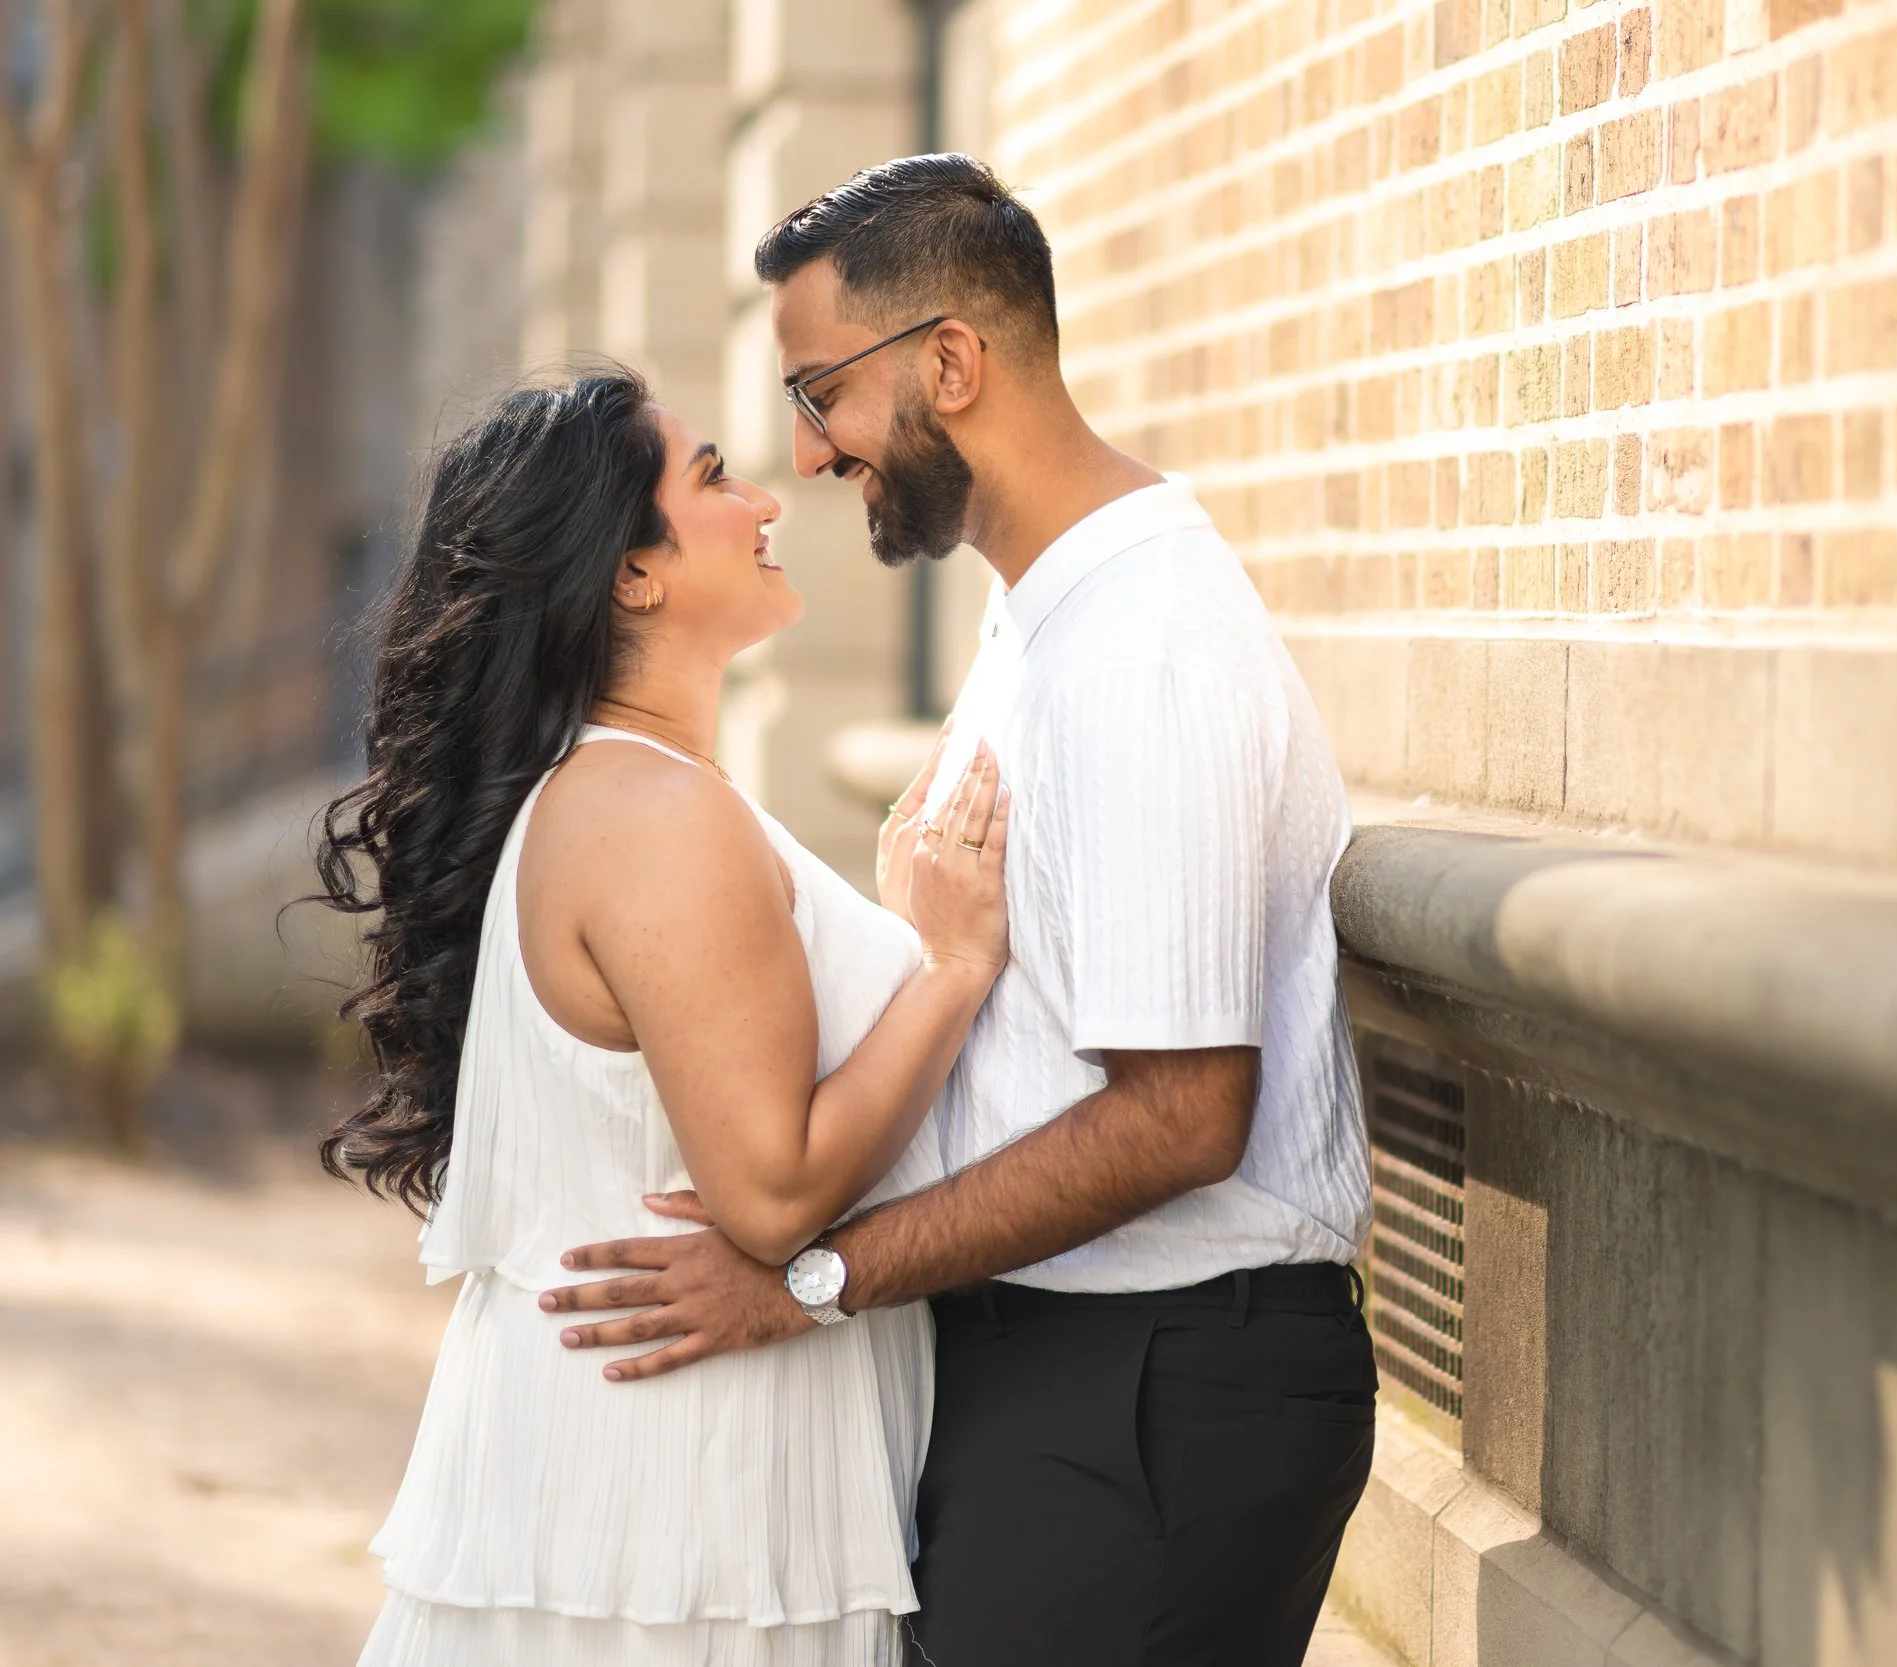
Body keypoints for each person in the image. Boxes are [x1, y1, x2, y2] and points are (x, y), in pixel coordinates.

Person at [542, 154, 1379, 1666]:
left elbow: (1185, 1113)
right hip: (1057, 1368)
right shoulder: (1038, 619)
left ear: (950, 362)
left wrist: (815, 1278)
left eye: (820, 396)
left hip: (1159, 1386)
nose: (806, 455)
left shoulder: (1139, 658)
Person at [314, 368, 1012, 1666]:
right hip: (678, 1499)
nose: (762, 498)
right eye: (707, 478)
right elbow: (772, 1186)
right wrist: (954, 966)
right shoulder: (649, 813)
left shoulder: (629, 796)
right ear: (630, 574)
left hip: (654, 1476)